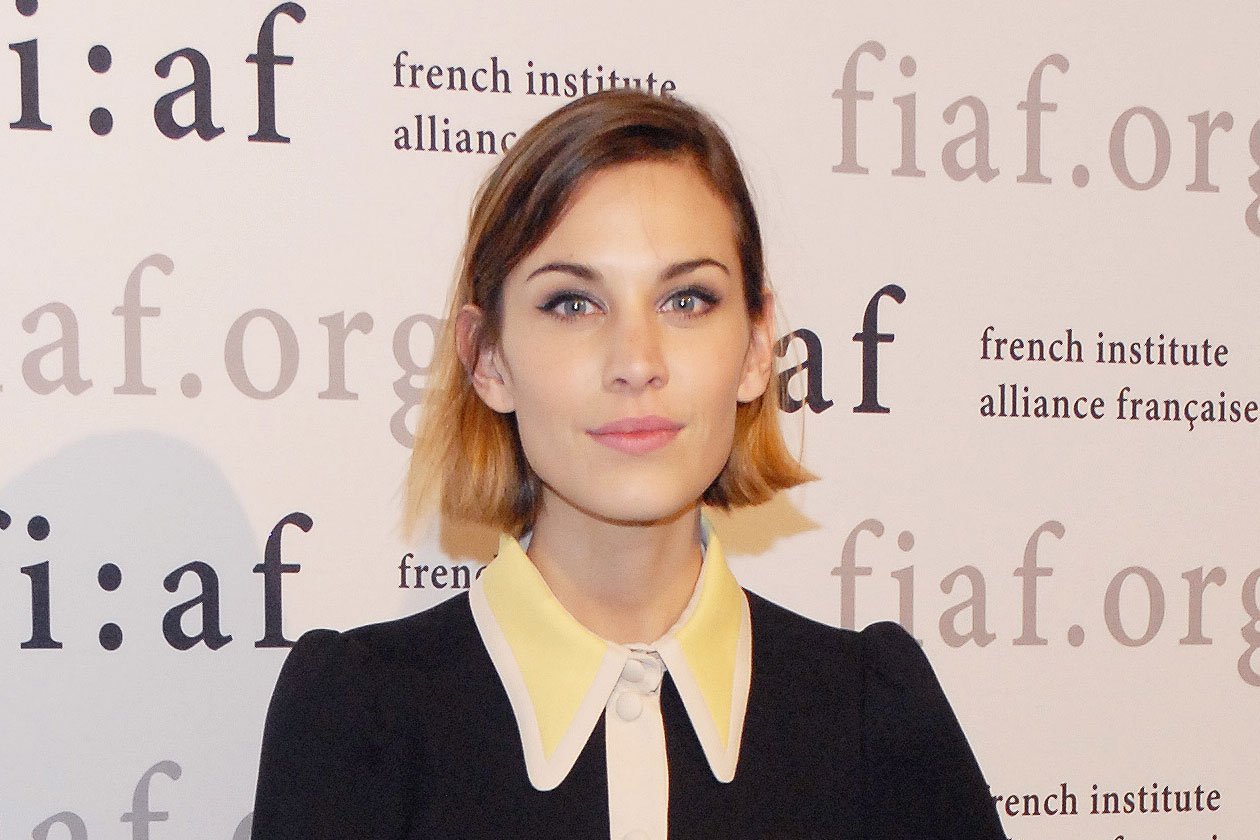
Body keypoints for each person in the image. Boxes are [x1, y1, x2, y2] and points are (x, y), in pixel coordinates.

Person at [251, 89, 1007, 840]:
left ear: (755, 347)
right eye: (573, 304)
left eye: (687, 300)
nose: (638, 361)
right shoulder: (359, 719)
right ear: (488, 359)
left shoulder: (877, 716)